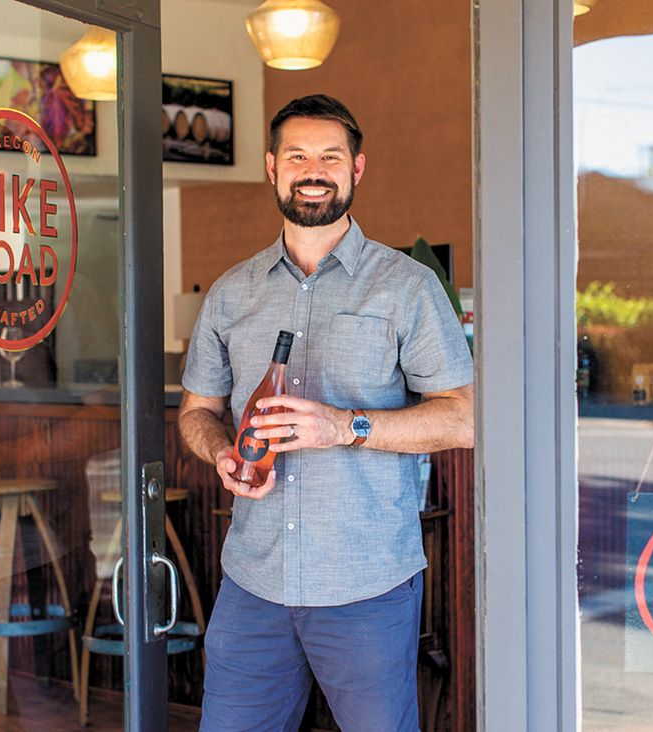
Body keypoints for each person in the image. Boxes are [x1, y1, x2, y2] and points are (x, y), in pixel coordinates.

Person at [178, 94, 474, 732]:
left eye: (330, 157)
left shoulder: (406, 286)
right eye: (297, 155)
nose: (314, 169)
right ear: (271, 167)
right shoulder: (232, 293)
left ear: (357, 169)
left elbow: (463, 417)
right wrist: (219, 451)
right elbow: (197, 410)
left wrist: (344, 426)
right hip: (253, 581)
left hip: (365, 584)